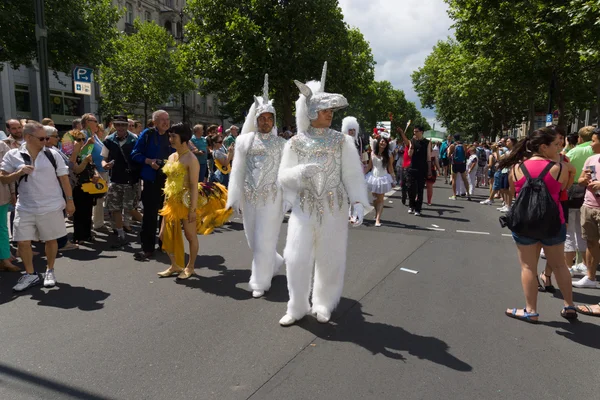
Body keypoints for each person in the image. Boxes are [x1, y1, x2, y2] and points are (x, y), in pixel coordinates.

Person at [277, 62, 369, 326]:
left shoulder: (343, 141)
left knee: (330, 258)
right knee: (295, 258)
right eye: (325, 109)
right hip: (304, 206)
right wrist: (300, 172)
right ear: (312, 110)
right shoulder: (295, 142)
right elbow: (283, 176)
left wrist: (359, 203)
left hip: (333, 206)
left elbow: (352, 174)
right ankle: (296, 307)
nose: (330, 114)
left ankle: (323, 303)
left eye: (331, 110)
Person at [500, 127, 577, 323]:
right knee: (560, 265)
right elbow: (563, 190)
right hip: (553, 222)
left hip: (524, 222)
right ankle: (569, 306)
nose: (560, 149)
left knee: (528, 266)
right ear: (544, 147)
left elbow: (513, 193)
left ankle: (531, 310)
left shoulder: (516, 168)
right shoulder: (560, 168)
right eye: (556, 145)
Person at [226, 74, 287, 298]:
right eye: (262, 118)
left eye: (269, 118)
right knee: (253, 240)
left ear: (273, 120)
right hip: (249, 198)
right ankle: (275, 260)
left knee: (264, 240)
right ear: (256, 119)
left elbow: (287, 173)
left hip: (272, 199)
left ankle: (260, 282)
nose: (265, 122)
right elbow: (237, 171)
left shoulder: (283, 144)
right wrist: (234, 198)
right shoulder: (244, 141)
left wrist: (288, 198)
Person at [0, 121, 74, 292]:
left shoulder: (52, 154)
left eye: (47, 138)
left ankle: (50, 270)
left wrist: (70, 200)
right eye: (42, 138)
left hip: (51, 205)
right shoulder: (13, 155)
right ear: (28, 138)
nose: (46, 141)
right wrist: (18, 173)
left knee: (50, 240)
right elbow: (3, 178)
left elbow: (64, 178)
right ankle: (30, 274)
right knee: (23, 241)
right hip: (25, 206)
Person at [157, 123, 232, 279]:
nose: (170, 139)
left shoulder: (191, 159)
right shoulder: (172, 156)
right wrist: (165, 201)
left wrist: (192, 210)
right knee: (163, 235)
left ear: (183, 138)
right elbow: (168, 182)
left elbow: (193, 186)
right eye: (170, 136)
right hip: (171, 202)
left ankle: (190, 267)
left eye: (173, 136)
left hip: (186, 202)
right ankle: (175, 265)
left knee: (190, 236)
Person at [131, 110, 174, 261]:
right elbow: (135, 154)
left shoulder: (172, 135)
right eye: (162, 120)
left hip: (169, 181)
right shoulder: (147, 134)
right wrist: (150, 161)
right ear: (154, 122)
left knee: (167, 214)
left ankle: (164, 244)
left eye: (167, 119)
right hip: (151, 180)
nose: (165, 122)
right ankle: (147, 248)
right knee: (150, 216)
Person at [101, 115, 140, 248]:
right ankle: (121, 234)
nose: (120, 128)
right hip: (115, 179)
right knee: (115, 208)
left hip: (131, 180)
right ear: (114, 125)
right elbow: (103, 158)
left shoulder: (134, 139)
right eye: (118, 125)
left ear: (127, 126)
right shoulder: (109, 140)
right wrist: (105, 165)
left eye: (123, 125)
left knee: (130, 208)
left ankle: (149, 227)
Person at [69, 130, 101, 244]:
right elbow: (76, 170)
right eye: (78, 139)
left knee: (88, 212)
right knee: (79, 213)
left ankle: (87, 234)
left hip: (89, 184)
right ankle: (78, 236)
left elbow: (92, 166)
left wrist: (96, 174)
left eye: (83, 139)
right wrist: (85, 160)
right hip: (78, 186)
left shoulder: (85, 151)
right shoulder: (71, 153)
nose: (82, 141)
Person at [365, 137, 394, 226]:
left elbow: (390, 167)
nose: (383, 143)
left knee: (380, 199)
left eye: (385, 142)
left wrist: (393, 178)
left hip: (383, 177)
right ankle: (376, 212)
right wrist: (362, 174)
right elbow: (370, 166)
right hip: (373, 177)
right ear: (378, 143)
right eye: (381, 141)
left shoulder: (389, 154)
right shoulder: (373, 152)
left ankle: (378, 219)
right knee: (375, 199)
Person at [0, 139, 18, 272]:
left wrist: (13, 191)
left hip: (1, 194)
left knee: (2, 227)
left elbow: (9, 171)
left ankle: (5, 257)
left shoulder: (2, 146)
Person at [407, 125, 432, 216]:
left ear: (421, 132)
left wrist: (429, 170)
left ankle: (418, 208)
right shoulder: (412, 141)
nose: (415, 133)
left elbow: (429, 156)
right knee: (411, 188)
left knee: (420, 189)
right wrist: (411, 146)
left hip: (422, 168)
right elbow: (410, 154)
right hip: (412, 167)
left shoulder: (427, 142)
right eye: (414, 131)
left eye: (416, 131)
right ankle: (411, 205)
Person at [448, 134, 470, 201]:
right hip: (462, 164)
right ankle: (468, 194)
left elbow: (448, 155)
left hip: (455, 164)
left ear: (454, 138)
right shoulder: (464, 145)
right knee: (464, 179)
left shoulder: (452, 145)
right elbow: (466, 154)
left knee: (454, 179)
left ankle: (454, 195)